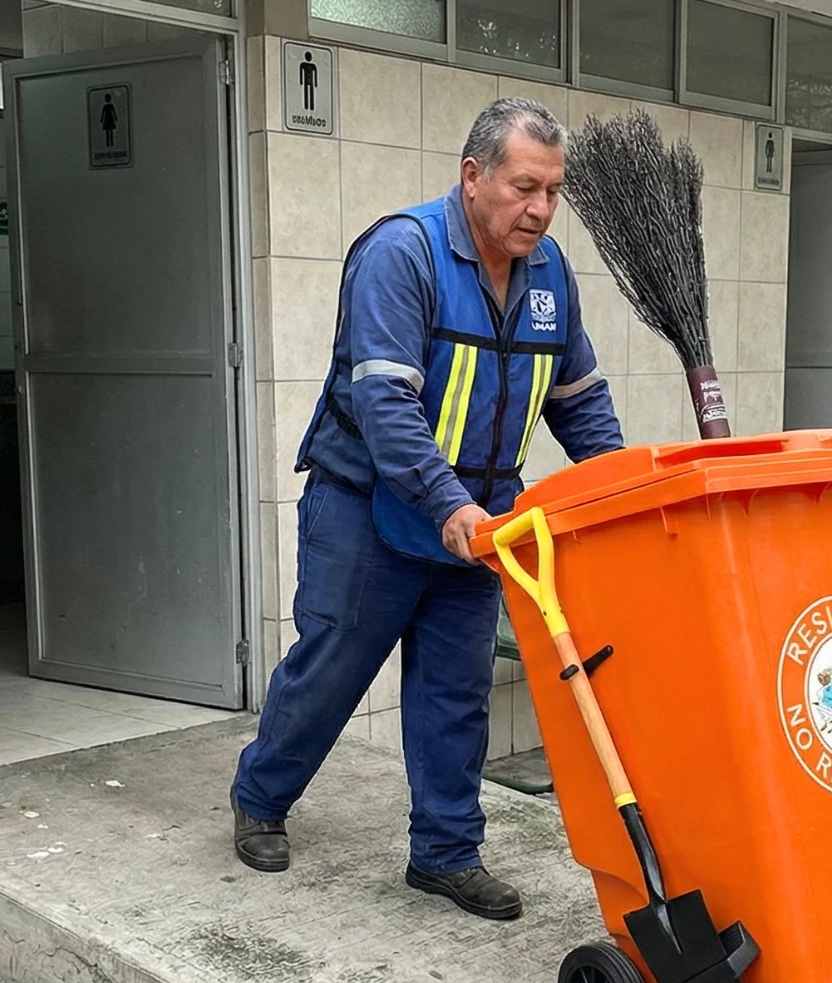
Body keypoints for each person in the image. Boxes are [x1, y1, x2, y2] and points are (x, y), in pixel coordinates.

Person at [229, 98, 624, 920]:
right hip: (367, 508)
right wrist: (449, 504)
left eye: (553, 191)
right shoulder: (402, 254)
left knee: (456, 691)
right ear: (473, 176)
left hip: (480, 524)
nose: (540, 209)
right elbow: (386, 407)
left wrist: (619, 489)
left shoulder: (549, 274)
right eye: (524, 187)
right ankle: (260, 796)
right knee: (332, 671)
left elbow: (578, 398)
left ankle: (445, 853)